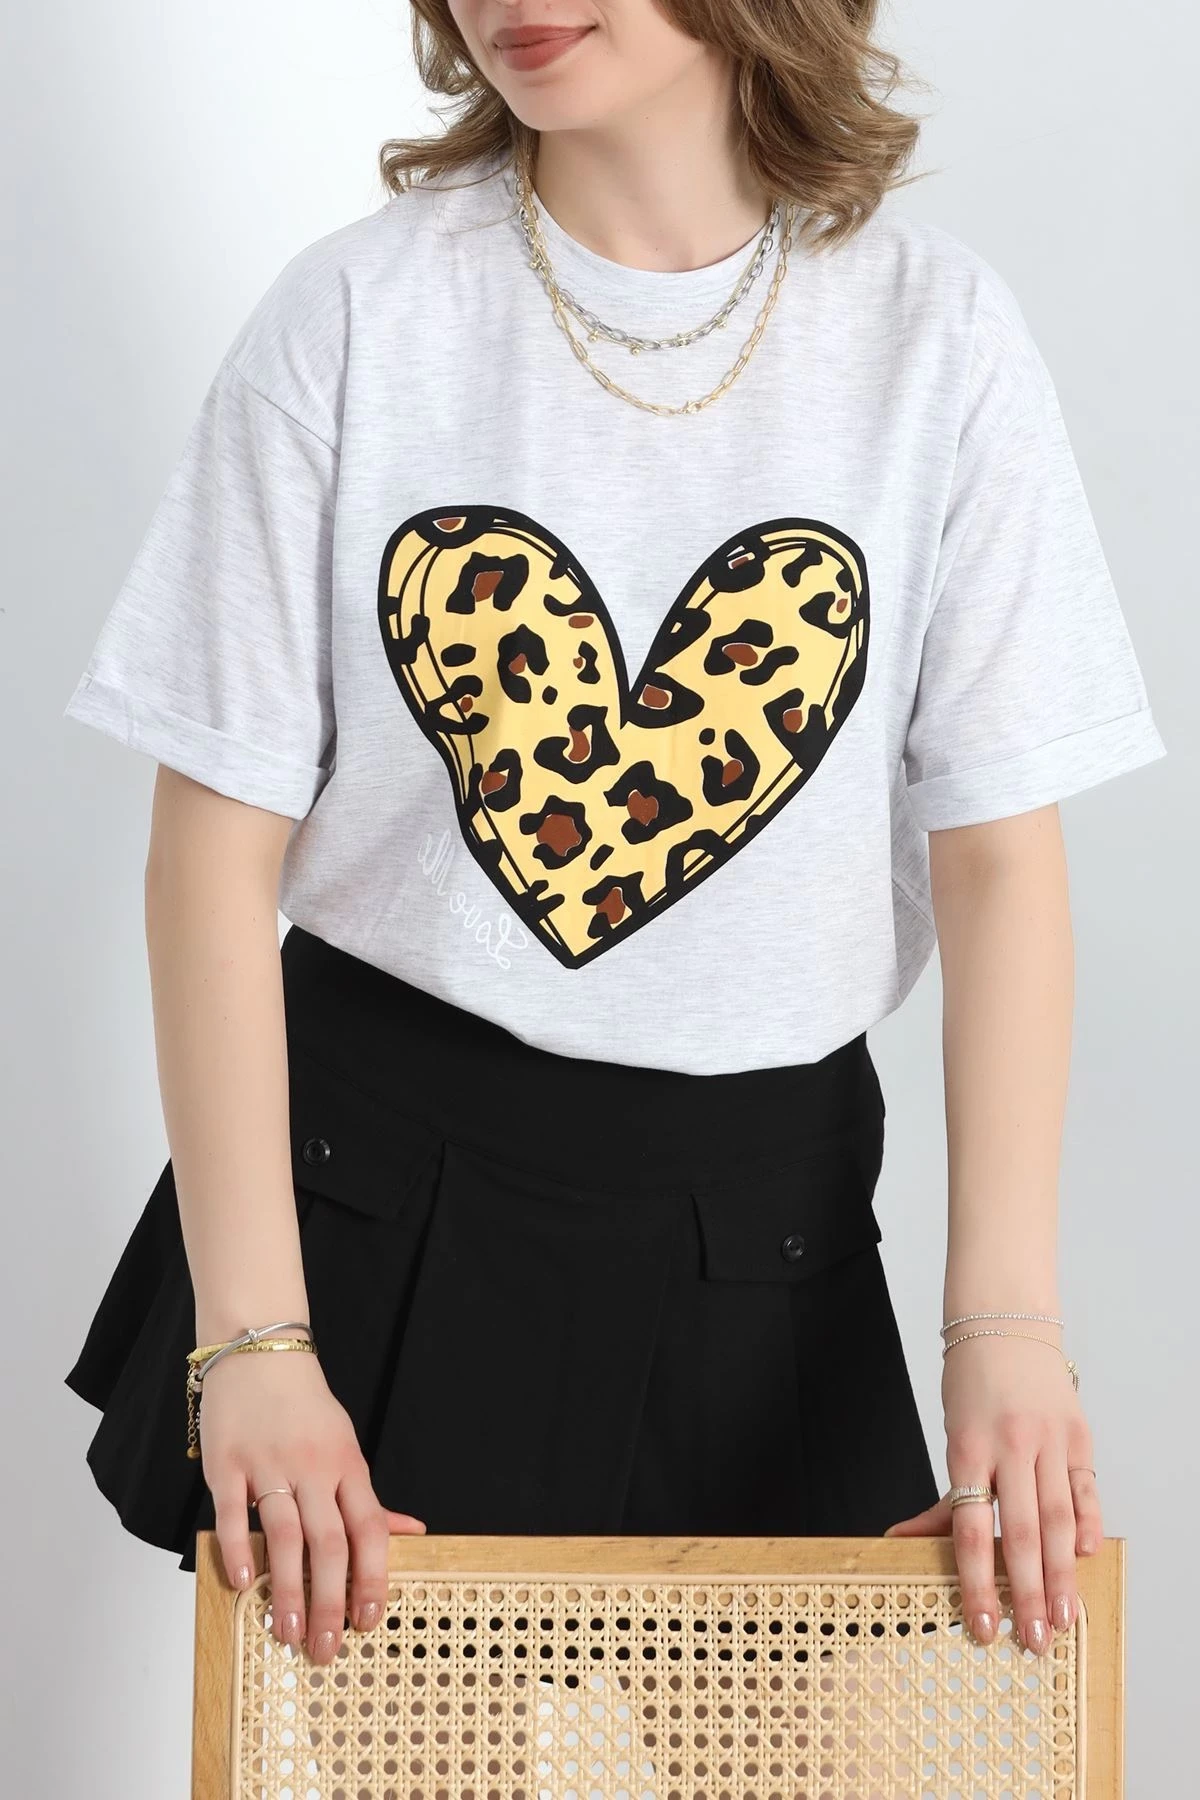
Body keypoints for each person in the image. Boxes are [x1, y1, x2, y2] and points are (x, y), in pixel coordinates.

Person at [62, 0, 1165, 1676]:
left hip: (769, 1228)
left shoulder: (936, 335)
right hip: (381, 1204)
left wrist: (1005, 1322)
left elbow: (1001, 859)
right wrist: (257, 1339)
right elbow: (209, 861)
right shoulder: (357, 315)